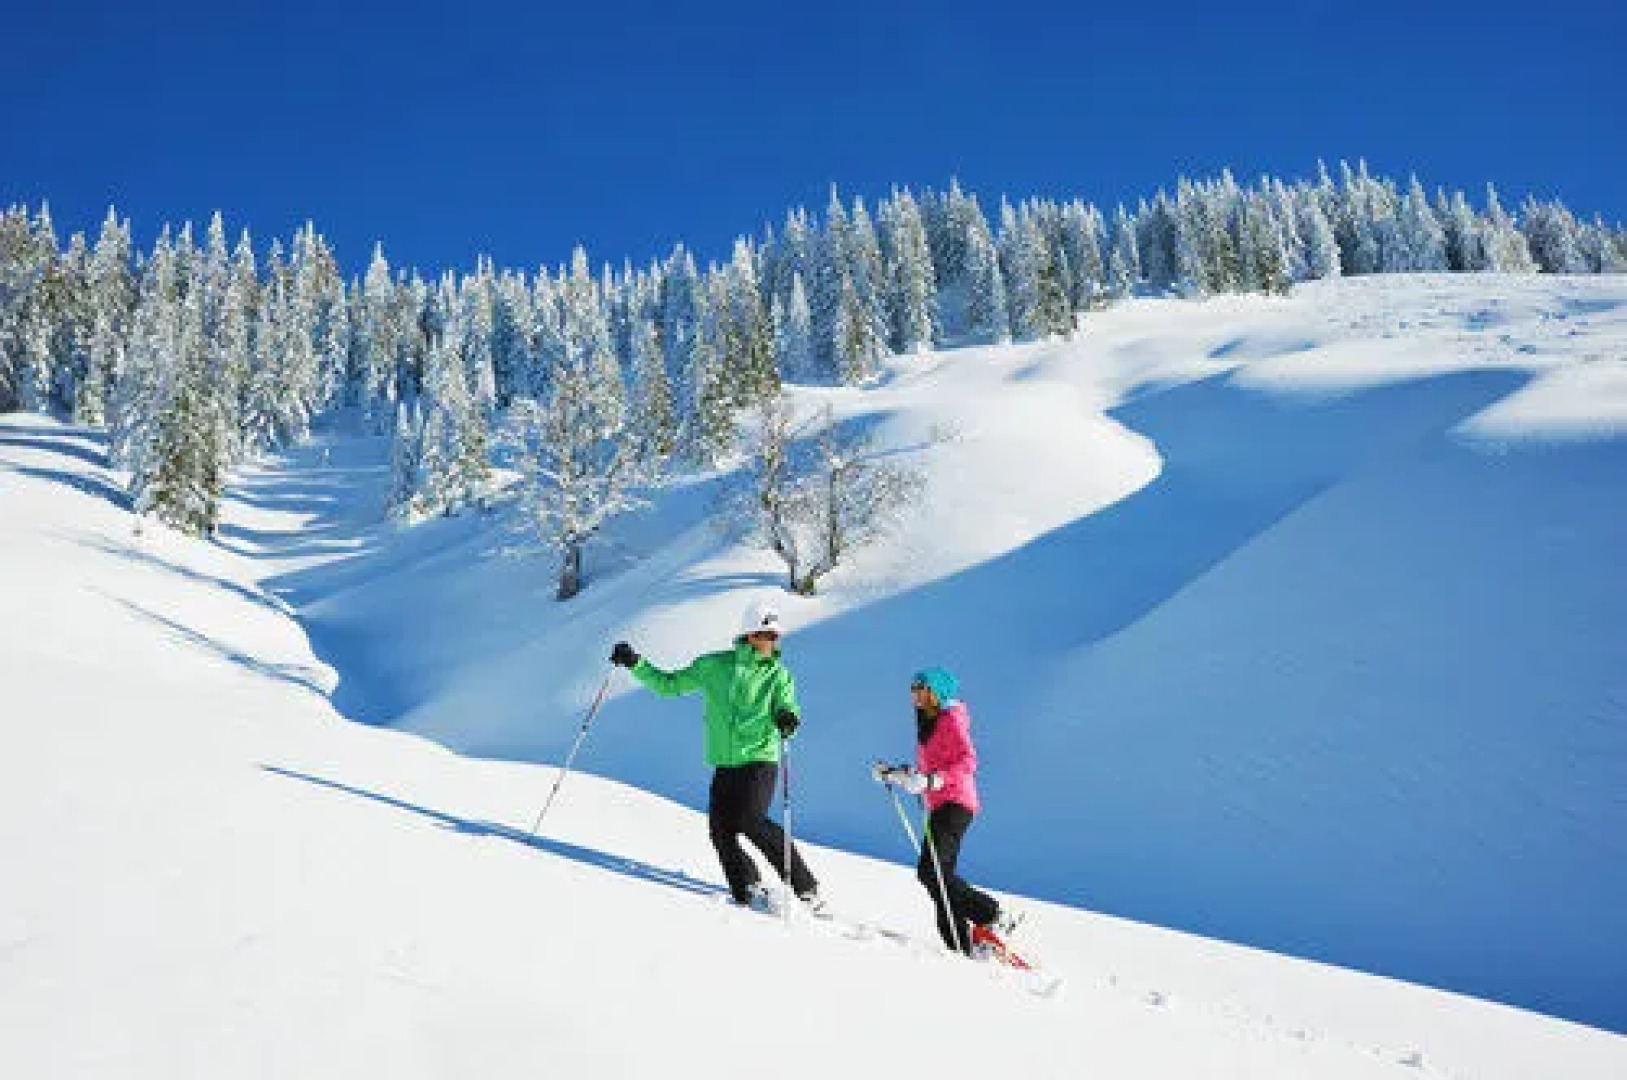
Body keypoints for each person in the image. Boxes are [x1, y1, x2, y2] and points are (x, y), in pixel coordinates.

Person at [610, 601, 822, 913]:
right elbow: (669, 686)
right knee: (721, 830)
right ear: (749, 633)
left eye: (776, 635)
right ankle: (747, 889)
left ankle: (805, 887)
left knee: (751, 820)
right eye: (766, 634)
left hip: (759, 759)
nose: (772, 641)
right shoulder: (713, 666)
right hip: (725, 763)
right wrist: (635, 663)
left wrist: (788, 717)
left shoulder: (778, 676)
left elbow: (786, 706)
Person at [874, 666, 1018, 955]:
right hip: (939, 804)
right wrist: (898, 775)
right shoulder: (927, 722)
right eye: (913, 688)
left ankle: (992, 915)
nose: (914, 694)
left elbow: (968, 761)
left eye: (920, 688)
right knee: (938, 877)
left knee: (931, 872)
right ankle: (961, 946)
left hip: (956, 803)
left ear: (936, 692)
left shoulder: (951, 718)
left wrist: (933, 780)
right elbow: (930, 770)